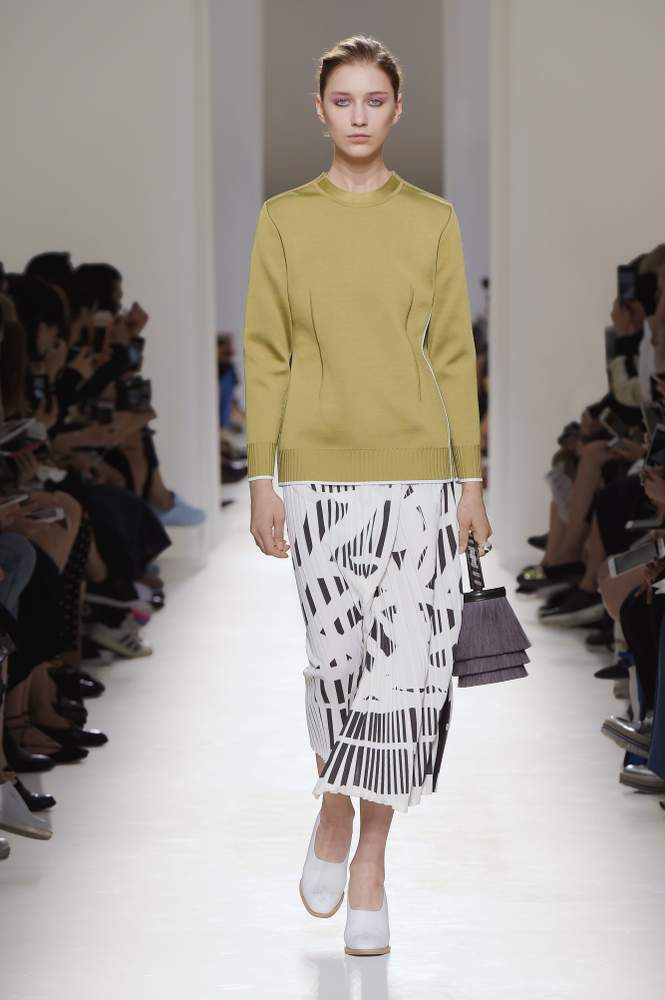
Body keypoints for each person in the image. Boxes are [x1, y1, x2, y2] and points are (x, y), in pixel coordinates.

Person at [242, 34, 492, 957]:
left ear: (396, 109)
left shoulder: (432, 220)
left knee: (407, 672)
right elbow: (266, 352)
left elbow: (453, 353)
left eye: (373, 99)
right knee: (336, 664)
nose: (357, 115)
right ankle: (334, 807)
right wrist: (261, 479)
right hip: (316, 476)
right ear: (320, 111)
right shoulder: (284, 220)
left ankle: (371, 867)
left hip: (420, 475)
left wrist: (470, 480)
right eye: (341, 100)